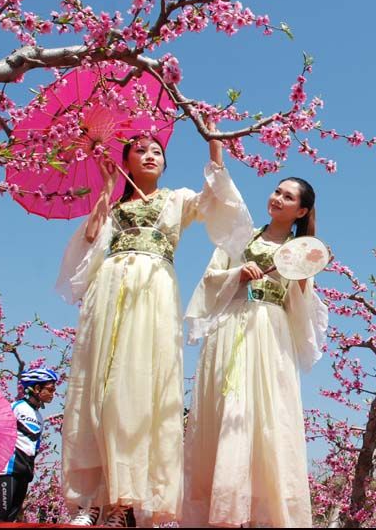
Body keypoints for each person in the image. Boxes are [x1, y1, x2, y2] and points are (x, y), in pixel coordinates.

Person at [57, 125, 249, 528]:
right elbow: (92, 237)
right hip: (110, 285)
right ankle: (91, 499)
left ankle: (123, 503)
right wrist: (108, 186)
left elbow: (215, 201)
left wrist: (215, 147)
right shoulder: (116, 203)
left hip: (155, 287)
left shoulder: (176, 200)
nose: (149, 155)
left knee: (141, 385)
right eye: (140, 150)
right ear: (125, 159)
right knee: (99, 384)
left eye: (157, 151)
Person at [183, 172, 329, 527]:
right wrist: (238, 274)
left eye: (288, 197)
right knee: (226, 409)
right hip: (231, 325)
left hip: (270, 332)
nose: (278, 198)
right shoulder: (241, 237)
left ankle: (260, 515)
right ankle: (222, 512)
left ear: (301, 211)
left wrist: (306, 273)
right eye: (277, 191)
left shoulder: (298, 252)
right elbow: (211, 278)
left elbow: (303, 307)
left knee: (265, 415)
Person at [0, 367, 58, 522]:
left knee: (10, 521)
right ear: (37, 388)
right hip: (7, 472)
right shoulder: (16, 407)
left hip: (24, 474)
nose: (53, 393)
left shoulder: (39, 417)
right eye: (50, 389)